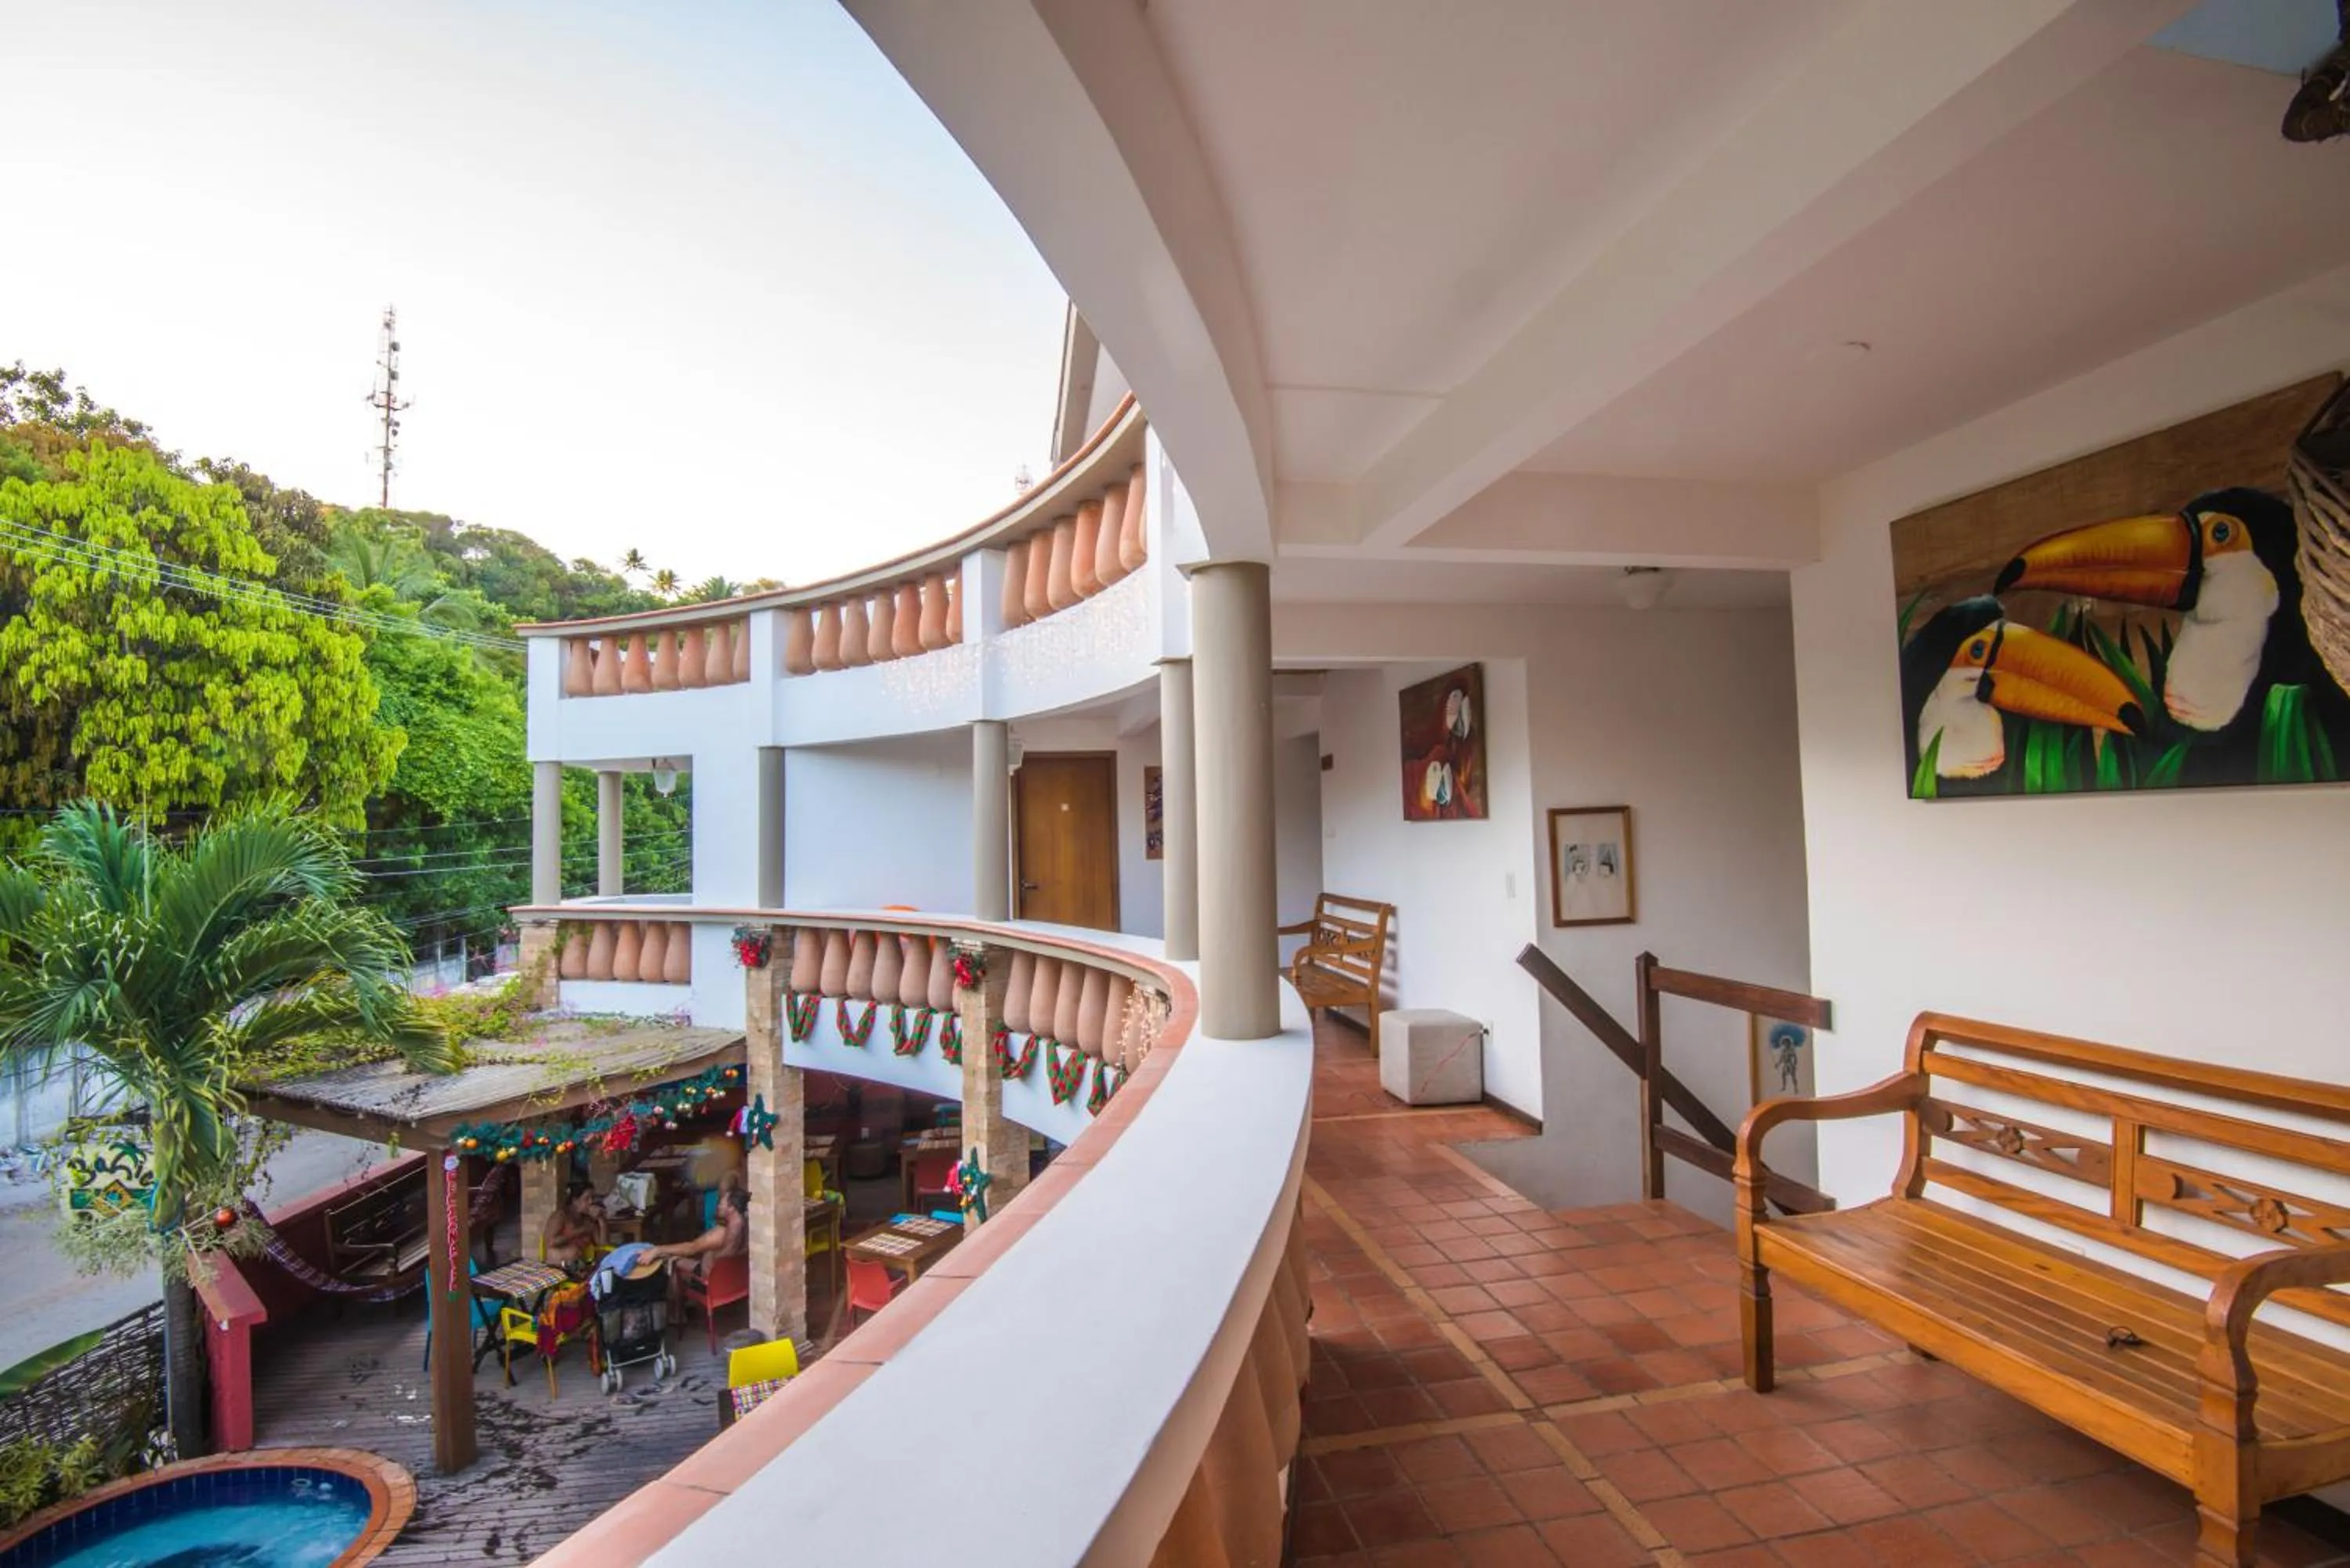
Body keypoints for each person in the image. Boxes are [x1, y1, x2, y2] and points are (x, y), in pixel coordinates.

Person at [646, 1179, 748, 1292]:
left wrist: (658, 1250)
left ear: (731, 1208)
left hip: (711, 1284)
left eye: (721, 1203)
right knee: (677, 1260)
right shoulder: (750, 1229)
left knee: (673, 1265)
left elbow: (691, 1248)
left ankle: (676, 1306)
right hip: (736, 1283)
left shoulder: (721, 1233)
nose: (718, 1205)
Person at [543, 1183, 606, 1266]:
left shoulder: (588, 1219)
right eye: (587, 1199)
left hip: (580, 1263)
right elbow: (550, 1242)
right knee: (572, 1251)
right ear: (575, 1201)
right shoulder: (560, 1216)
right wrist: (581, 1230)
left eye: (593, 1198)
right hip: (559, 1262)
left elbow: (603, 1245)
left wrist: (601, 1219)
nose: (591, 1202)